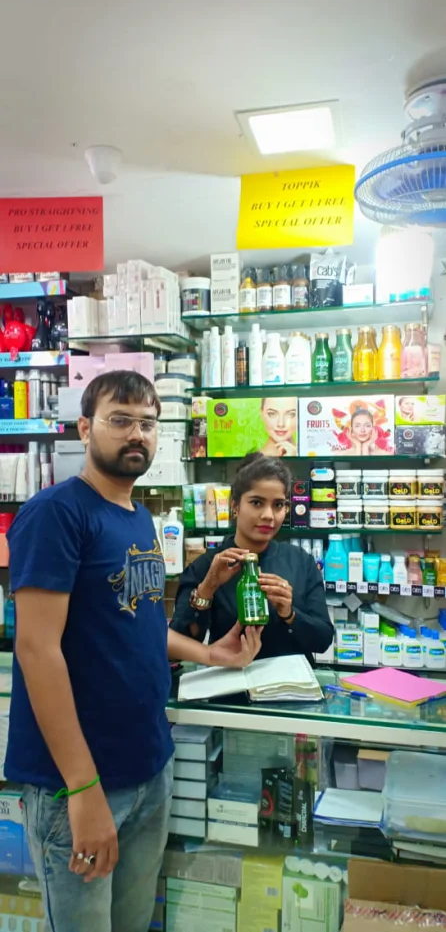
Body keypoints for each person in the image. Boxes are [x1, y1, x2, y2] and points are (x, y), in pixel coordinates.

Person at [6, 370, 262, 932]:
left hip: (148, 767)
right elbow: (36, 650)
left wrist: (213, 655)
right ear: (85, 428)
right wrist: (82, 787)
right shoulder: (56, 513)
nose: (136, 434)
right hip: (79, 782)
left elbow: (139, 625)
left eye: (148, 423)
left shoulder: (138, 516)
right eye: (120, 420)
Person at [171, 453, 333, 660]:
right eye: (257, 503)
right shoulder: (207, 566)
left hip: (291, 679)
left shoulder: (301, 562)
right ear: (235, 506)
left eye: (278, 505)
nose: (268, 515)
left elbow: (323, 641)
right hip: (232, 677)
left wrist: (290, 614)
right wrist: (207, 589)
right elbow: (178, 647)